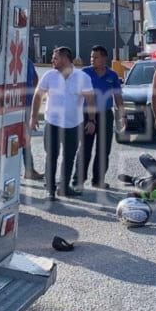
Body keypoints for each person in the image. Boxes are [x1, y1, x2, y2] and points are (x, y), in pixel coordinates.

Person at [29, 46, 95, 200]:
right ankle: (51, 190)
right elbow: (38, 96)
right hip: (52, 122)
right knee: (51, 155)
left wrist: (91, 120)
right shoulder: (50, 76)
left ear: (65, 59)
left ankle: (64, 188)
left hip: (73, 124)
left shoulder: (82, 77)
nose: (52, 60)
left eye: (55, 58)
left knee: (69, 156)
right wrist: (33, 117)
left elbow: (90, 99)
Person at [81, 45, 124, 189]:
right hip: (87, 115)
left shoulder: (112, 76)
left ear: (104, 58)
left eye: (96, 57)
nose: (92, 59)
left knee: (103, 149)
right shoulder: (84, 73)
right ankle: (78, 180)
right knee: (85, 148)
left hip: (106, 114)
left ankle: (98, 180)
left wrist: (121, 116)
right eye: (92, 56)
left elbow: (117, 97)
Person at [22, 57, 43, 181]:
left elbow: (35, 79)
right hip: (23, 104)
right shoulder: (27, 60)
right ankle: (29, 169)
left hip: (22, 104)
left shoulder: (27, 61)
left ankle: (29, 169)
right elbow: (35, 80)